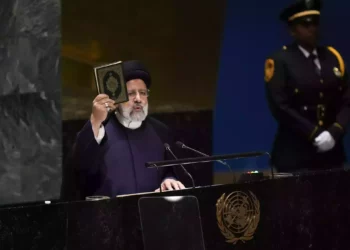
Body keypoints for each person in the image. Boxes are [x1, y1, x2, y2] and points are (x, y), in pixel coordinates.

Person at [72, 60, 185, 198]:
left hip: (151, 214)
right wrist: (95, 121)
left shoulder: (160, 131)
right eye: (131, 93)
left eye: (143, 93)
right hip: (109, 216)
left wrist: (169, 180)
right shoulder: (101, 130)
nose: (138, 99)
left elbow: (170, 170)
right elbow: (79, 169)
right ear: (118, 97)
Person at [264, 0, 350, 172]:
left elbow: (347, 99)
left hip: (332, 152)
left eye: (315, 23)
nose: (312, 29)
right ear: (292, 30)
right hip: (295, 153)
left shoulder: (333, 57)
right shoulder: (280, 61)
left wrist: (335, 131)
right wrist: (314, 133)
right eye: (305, 24)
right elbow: (281, 107)